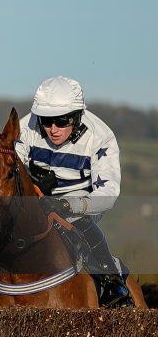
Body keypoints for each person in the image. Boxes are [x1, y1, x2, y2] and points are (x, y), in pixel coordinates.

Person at [14, 75, 130, 307]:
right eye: (46, 121)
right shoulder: (25, 127)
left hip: (83, 205)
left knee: (81, 226)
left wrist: (68, 205)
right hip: (37, 202)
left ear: (77, 116)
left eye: (62, 121)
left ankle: (113, 283)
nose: (53, 129)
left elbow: (108, 194)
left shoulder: (101, 137)